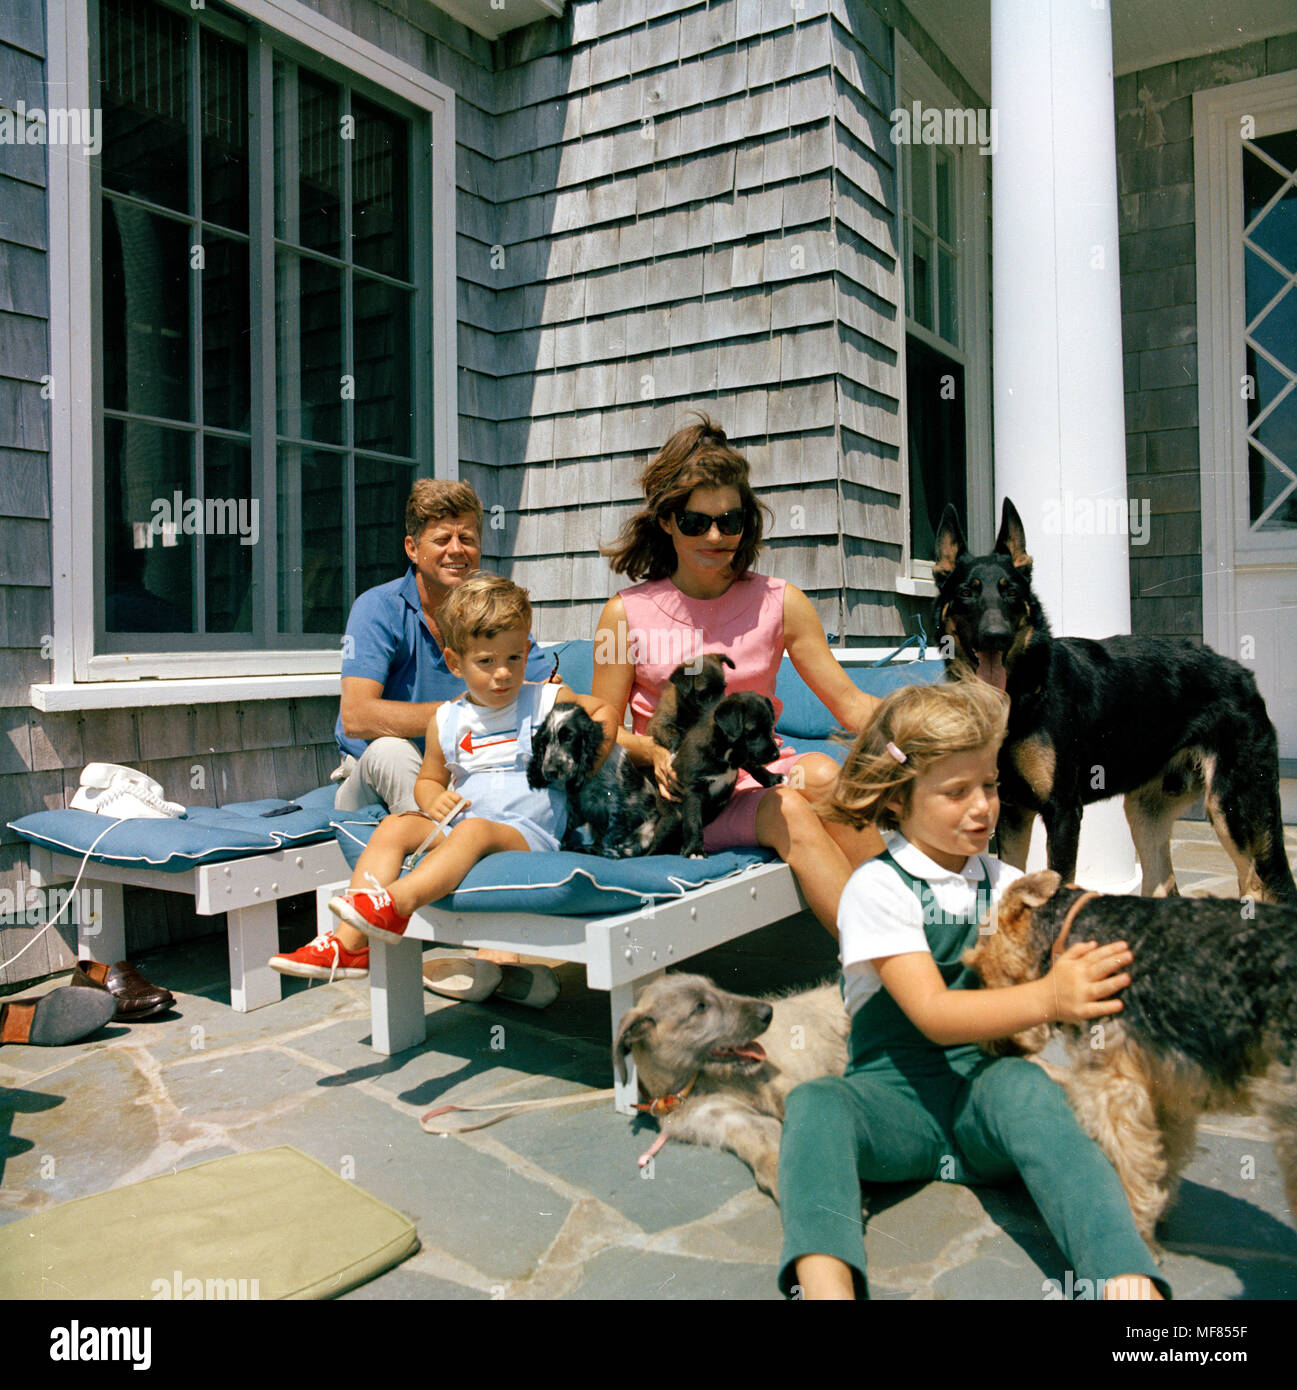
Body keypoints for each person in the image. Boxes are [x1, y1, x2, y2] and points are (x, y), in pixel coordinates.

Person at [776, 678, 1168, 1301]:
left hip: (985, 1100)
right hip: (893, 1107)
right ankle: (826, 1287)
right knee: (816, 1106)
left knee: (1030, 1089)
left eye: (988, 784)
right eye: (956, 792)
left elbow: (1072, 929)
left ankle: (1121, 1278)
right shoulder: (878, 889)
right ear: (897, 802)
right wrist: (1051, 998)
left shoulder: (1005, 879)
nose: (983, 806)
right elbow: (932, 1012)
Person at [591, 413, 883, 936]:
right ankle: (887, 967)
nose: (716, 535)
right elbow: (604, 727)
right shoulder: (625, 614)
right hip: (683, 798)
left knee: (820, 775)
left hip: (759, 777)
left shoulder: (781, 602)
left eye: (731, 520)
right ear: (666, 521)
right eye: (695, 522)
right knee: (790, 809)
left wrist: (935, 732)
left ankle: (918, 932)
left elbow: (851, 704)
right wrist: (655, 752)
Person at [270, 479, 556, 998]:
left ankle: (483, 956)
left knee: (485, 803)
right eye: (442, 538)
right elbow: (357, 716)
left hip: (459, 778)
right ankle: (484, 944)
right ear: (412, 548)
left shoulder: (489, 618)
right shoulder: (379, 608)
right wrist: (460, 714)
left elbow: (542, 690)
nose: (457, 550)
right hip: (371, 772)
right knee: (393, 752)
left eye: (467, 538)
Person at [328, 575, 619, 1007]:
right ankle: (347, 944)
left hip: (527, 834)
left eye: (515, 658)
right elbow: (428, 779)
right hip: (466, 825)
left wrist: (587, 764)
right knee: (394, 826)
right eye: (487, 661)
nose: (503, 673)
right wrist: (431, 800)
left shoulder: (545, 700)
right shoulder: (447, 720)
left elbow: (604, 711)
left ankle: (395, 905)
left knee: (475, 832)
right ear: (455, 661)